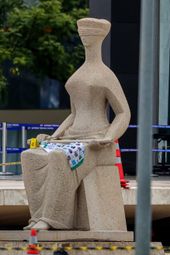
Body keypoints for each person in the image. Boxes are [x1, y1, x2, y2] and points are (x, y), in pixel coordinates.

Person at [21, 18, 131, 230]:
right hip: (70, 138)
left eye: (89, 35)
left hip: (95, 142)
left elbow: (123, 113)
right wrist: (54, 136)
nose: (85, 39)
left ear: (99, 38)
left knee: (59, 158)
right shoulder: (78, 74)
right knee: (30, 157)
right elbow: (73, 114)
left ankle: (53, 219)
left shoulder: (107, 75)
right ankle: (38, 216)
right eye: (83, 35)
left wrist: (109, 137)